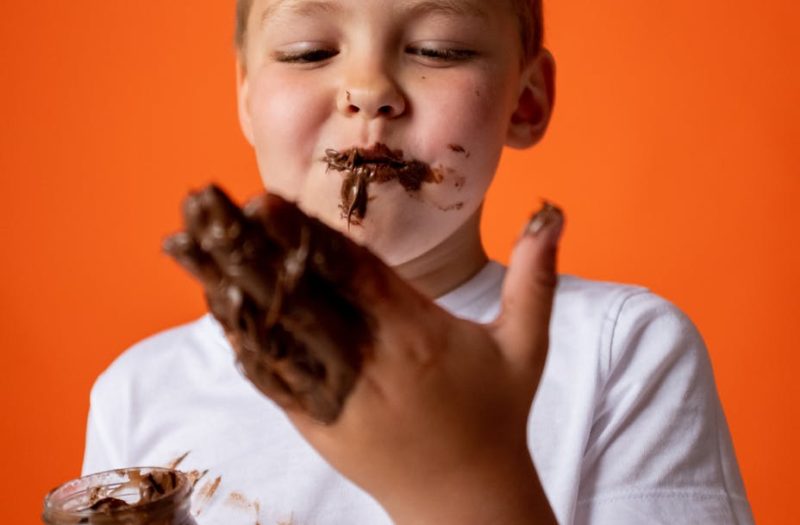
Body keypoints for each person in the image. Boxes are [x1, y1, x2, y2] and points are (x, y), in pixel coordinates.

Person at [81, 0, 754, 523]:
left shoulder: (624, 354)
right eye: (309, 51)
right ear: (246, 96)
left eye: (439, 49)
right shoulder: (138, 395)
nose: (368, 88)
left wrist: (469, 482)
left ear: (525, 98)